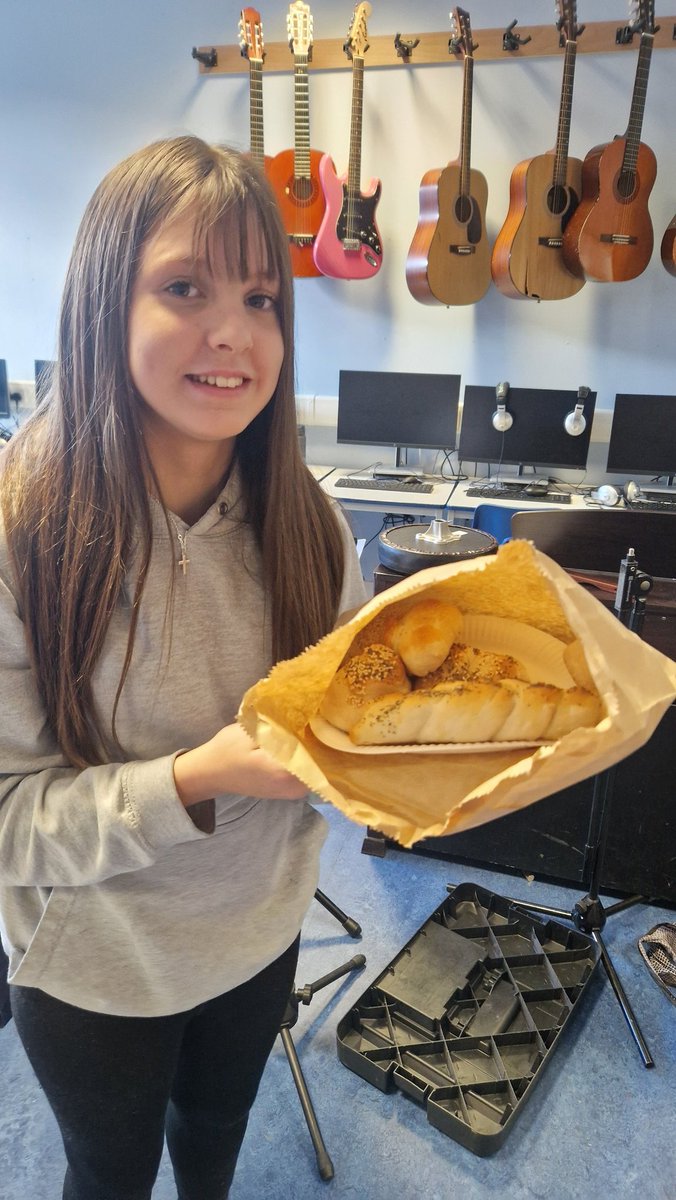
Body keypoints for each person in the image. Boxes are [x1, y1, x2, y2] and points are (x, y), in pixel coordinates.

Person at [0, 135, 366, 1200]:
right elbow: (9, 821)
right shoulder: (24, 531)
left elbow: (349, 727)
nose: (232, 334)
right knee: (108, 1175)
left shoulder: (311, 523)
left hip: (257, 929)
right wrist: (193, 780)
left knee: (212, 1149)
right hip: (95, 961)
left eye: (261, 298)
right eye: (184, 286)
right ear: (104, 301)